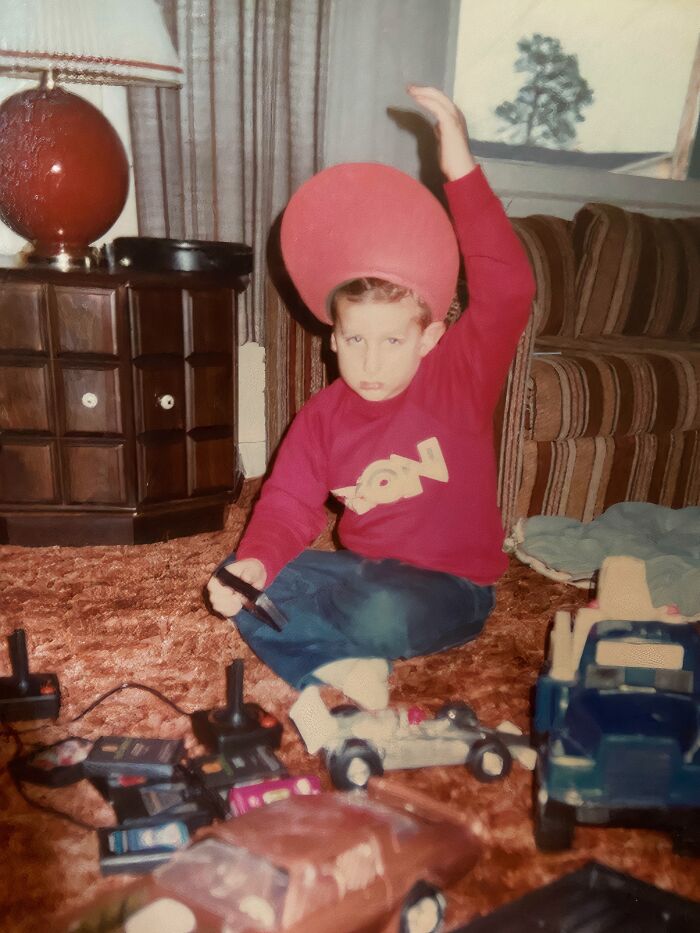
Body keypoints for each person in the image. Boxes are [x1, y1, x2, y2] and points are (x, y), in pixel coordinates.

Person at [207, 85, 535, 709]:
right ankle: (336, 671)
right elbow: (286, 506)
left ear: (430, 337)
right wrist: (254, 563)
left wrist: (460, 168)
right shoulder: (324, 414)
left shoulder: (456, 378)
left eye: (391, 341)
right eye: (355, 338)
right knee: (241, 579)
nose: (371, 361)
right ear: (332, 337)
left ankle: (329, 651)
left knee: (382, 611)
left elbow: (510, 290)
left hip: (451, 589)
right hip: (366, 574)